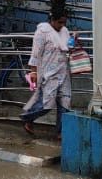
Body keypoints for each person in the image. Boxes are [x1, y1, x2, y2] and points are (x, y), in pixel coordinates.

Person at [20, 7, 73, 139]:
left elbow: (68, 48)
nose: (62, 25)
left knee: (65, 103)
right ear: (52, 20)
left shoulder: (65, 32)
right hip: (49, 73)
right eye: (60, 22)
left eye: (64, 22)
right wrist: (33, 72)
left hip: (64, 72)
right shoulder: (42, 32)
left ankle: (60, 132)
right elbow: (36, 53)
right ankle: (27, 117)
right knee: (46, 104)